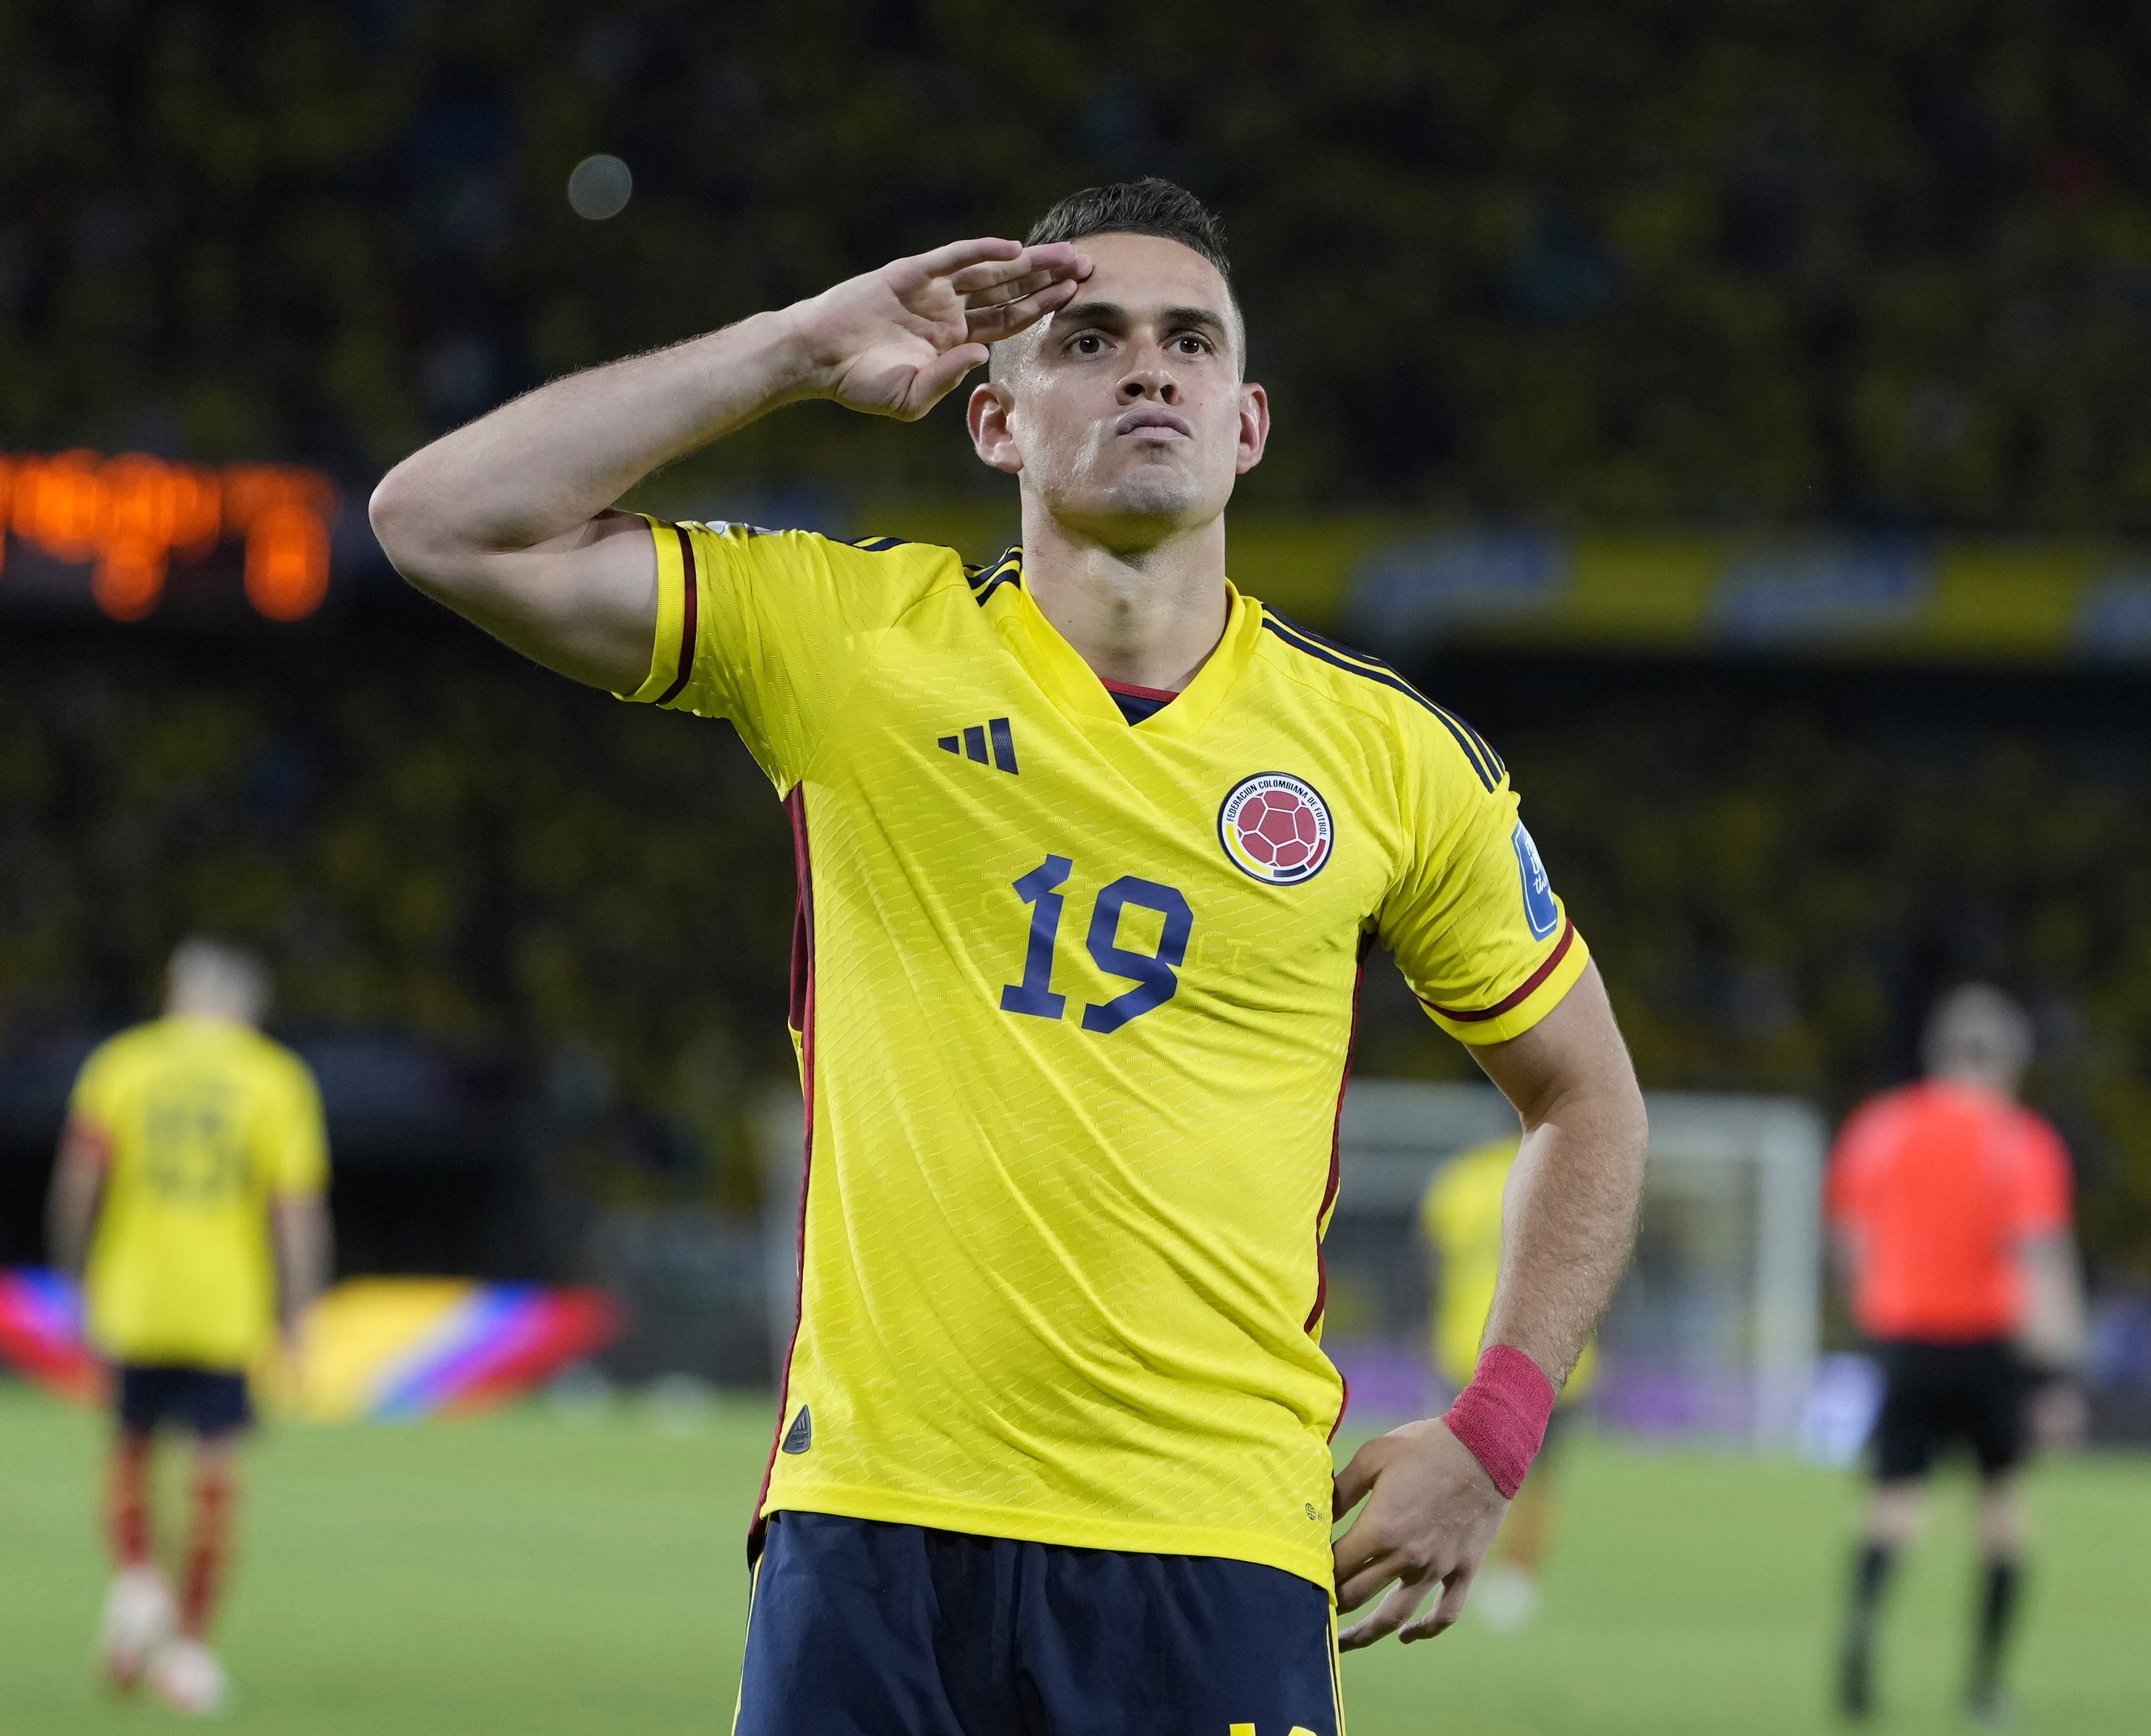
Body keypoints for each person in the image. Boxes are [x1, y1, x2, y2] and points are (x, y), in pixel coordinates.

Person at [369, 178, 1649, 1735]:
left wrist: (1496, 1431)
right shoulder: (851, 642)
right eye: (1087, 339)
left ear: (1247, 425)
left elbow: (1587, 1098)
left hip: (1217, 1543)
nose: (1146, 371)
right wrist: (789, 346)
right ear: (994, 420)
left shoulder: (1390, 760)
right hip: (877, 1523)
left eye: (1189, 342)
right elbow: (438, 521)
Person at [47, 937, 332, 1715]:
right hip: (223, 1305)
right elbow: (294, 1207)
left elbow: (78, 1182)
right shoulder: (276, 1077)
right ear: (246, 1003)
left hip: (134, 1295)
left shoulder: (123, 1064)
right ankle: (190, 1651)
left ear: (178, 993)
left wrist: (75, 1279)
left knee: (130, 1445)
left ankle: (138, 1578)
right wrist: (300, 1311)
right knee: (216, 1471)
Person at [1824, 983, 2086, 1727]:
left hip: (1902, 1336)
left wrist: (1876, 1313)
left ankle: (1858, 1649)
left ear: (1937, 1051)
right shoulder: (2021, 1140)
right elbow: (2039, 1259)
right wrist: (2058, 1374)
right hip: (1988, 1344)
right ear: (2010, 1059)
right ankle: (1982, 1684)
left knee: (1891, 1504)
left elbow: (1849, 1245)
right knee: (2001, 1509)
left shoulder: (1878, 1127)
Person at [1418, 1135, 1602, 1632]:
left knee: (1458, 1471)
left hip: (1468, 1350)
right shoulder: (1574, 1175)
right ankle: (1514, 1586)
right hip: (1554, 1356)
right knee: (1540, 1480)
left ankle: (1442, 1570)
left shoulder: (1462, 1178)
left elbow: (1432, 1265)